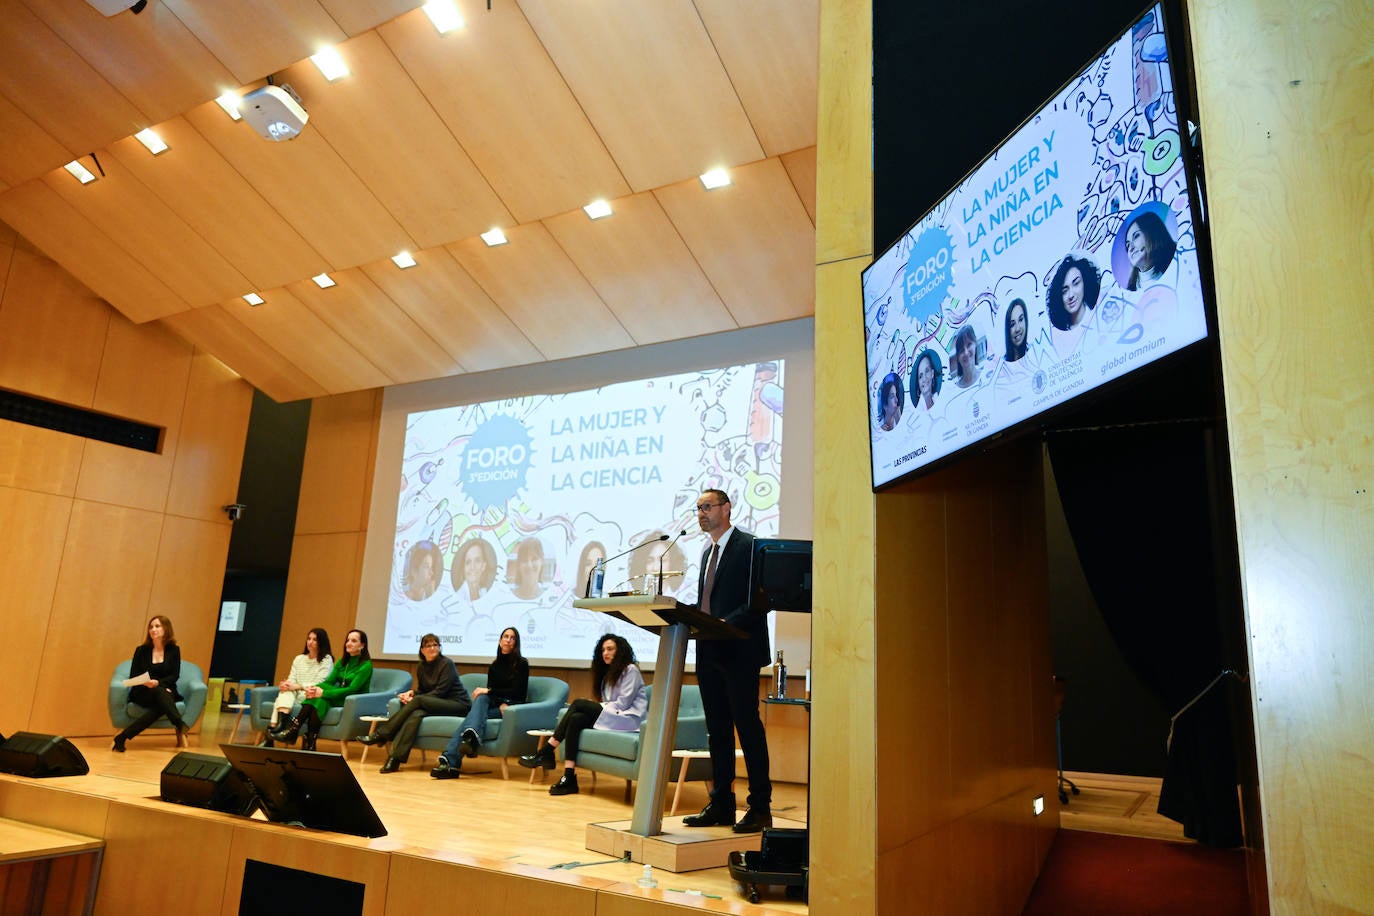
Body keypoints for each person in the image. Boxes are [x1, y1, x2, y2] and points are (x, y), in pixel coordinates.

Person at [682, 488, 772, 833]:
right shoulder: (707, 552)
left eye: (707, 507)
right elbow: (709, 601)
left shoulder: (750, 546)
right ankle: (721, 803)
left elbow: (759, 598)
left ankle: (760, 807)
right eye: (698, 509)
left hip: (739, 650)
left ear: (727, 508)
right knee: (716, 729)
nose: (702, 513)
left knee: (747, 727)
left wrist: (725, 623)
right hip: (708, 649)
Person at [518, 633, 647, 796]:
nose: (605, 653)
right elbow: (609, 703)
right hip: (614, 716)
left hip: (628, 719)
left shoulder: (630, 669)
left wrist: (595, 706)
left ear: (620, 651)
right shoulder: (608, 674)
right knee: (575, 719)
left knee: (579, 703)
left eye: (610, 649)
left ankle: (546, 750)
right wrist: (596, 706)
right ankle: (569, 777)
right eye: (603, 650)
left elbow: (623, 704)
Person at [358, 633, 470, 773]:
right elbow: (424, 690)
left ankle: (382, 734)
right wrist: (412, 693)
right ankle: (394, 760)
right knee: (416, 714)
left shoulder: (447, 664)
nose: (432, 648)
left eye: (435, 645)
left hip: (457, 704)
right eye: (428, 645)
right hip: (435, 702)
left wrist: (416, 698)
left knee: (417, 703)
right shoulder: (421, 666)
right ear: (422, 650)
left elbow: (440, 691)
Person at [431, 627, 530, 779]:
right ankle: (470, 738)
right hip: (497, 705)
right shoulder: (495, 665)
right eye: (505, 636)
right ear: (500, 640)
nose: (508, 640)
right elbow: (494, 693)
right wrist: (491, 694)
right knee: (480, 702)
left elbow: (518, 693)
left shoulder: (522, 664)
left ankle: (452, 760)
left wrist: (496, 697)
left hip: (511, 707)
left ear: (516, 643)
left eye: (512, 638)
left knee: (474, 712)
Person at [269, 628, 373, 751]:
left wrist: (322, 692)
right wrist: (314, 690)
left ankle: (293, 730)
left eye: (354, 641)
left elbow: (352, 689)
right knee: (319, 699)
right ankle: (310, 741)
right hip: (338, 695)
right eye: (348, 640)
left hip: (353, 699)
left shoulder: (366, 665)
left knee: (320, 695)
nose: (349, 643)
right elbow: (328, 682)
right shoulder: (343, 662)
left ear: (362, 645)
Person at [113, 615, 191, 752]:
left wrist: (158, 683)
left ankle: (123, 737)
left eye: (157, 626)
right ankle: (179, 723)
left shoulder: (174, 650)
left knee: (161, 701)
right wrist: (147, 683)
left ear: (166, 629)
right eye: (151, 627)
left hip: (165, 690)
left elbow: (174, 675)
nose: (153, 629)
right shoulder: (141, 651)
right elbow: (134, 675)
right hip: (143, 692)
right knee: (163, 697)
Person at [264, 627, 333, 745]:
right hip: (295, 694)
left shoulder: (326, 659)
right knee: (284, 692)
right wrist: (286, 685)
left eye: (315, 640)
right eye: (309, 638)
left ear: (321, 642)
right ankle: (279, 727)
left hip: (310, 696)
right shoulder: (299, 659)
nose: (310, 642)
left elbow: (319, 683)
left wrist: (296, 686)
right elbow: (292, 679)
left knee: (281, 697)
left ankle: (271, 734)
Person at [1123, 210, 1176, 290]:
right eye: (1128, 245)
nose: (1131, 248)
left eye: (1136, 236)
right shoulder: (1130, 290)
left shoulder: (1175, 266)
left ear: (1152, 233)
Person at [1046, 254, 1101, 331]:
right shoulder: (1057, 332)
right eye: (1065, 291)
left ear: (1085, 282)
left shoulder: (1100, 316)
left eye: (1076, 283)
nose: (1071, 295)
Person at [447, 537, 497, 608]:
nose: (472, 567)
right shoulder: (458, 598)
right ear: (463, 568)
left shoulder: (485, 593)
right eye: (468, 562)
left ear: (483, 566)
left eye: (477, 560)